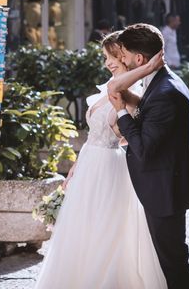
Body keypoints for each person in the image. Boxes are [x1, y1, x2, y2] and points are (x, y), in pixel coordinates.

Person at [35, 31, 167, 288]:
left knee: (106, 229)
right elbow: (93, 134)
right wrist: (75, 166)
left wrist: (150, 67)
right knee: (82, 228)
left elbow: (126, 133)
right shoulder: (113, 84)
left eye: (113, 56)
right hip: (89, 163)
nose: (107, 62)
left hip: (109, 167)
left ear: (128, 57)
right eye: (105, 56)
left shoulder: (130, 89)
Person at [109, 23, 189, 288]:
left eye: (123, 54)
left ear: (139, 58)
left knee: (172, 261)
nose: (121, 60)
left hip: (164, 191)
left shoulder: (166, 93)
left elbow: (144, 150)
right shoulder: (162, 83)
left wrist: (123, 112)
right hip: (163, 186)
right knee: (168, 260)